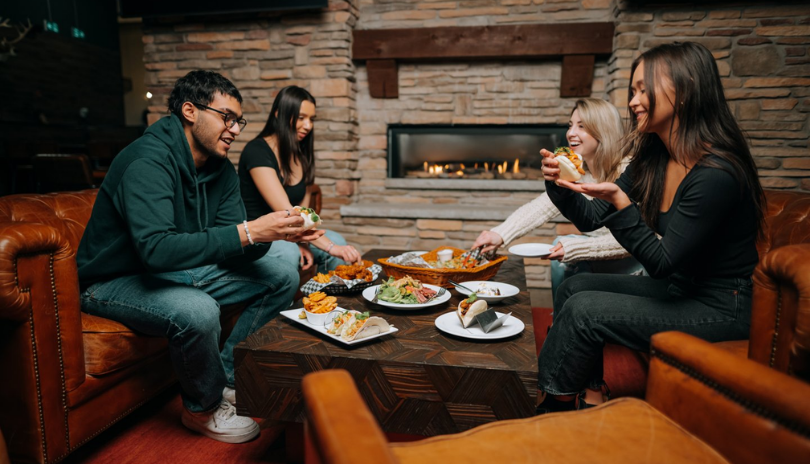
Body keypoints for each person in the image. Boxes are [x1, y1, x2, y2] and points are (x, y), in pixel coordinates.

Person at [77, 71, 324, 443]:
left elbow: (233, 246)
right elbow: (157, 249)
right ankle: (202, 409)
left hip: (173, 269)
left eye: (238, 121)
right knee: (198, 309)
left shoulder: (219, 168)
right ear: (190, 111)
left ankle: (228, 381)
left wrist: (273, 233)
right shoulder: (147, 161)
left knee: (281, 274)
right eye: (227, 117)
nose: (235, 129)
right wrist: (250, 231)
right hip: (112, 281)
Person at [535, 41, 765, 413]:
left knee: (584, 309)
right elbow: (591, 217)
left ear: (685, 90)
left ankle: (554, 406)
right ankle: (589, 393)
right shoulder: (654, 156)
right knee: (574, 285)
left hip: (723, 304)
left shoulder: (716, 174)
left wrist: (622, 204)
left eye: (644, 90)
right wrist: (557, 184)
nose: (633, 101)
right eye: (633, 90)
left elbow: (660, 262)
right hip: (680, 287)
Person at [472, 98, 643, 298]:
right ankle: (563, 313)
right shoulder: (580, 173)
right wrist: (500, 234)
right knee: (564, 251)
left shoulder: (628, 171)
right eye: (570, 125)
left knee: (564, 245)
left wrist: (574, 248)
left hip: (632, 267)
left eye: (582, 126)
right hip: (598, 261)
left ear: (603, 130)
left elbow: (640, 238)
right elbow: (542, 206)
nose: (570, 133)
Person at [238, 86, 361, 274]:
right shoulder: (256, 151)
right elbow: (288, 212)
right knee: (293, 252)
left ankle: (328, 293)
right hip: (260, 238)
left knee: (339, 241)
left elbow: (303, 212)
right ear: (279, 114)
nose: (308, 126)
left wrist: (303, 241)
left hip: (289, 233)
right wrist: (330, 247)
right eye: (301, 117)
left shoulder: (300, 154)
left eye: (312, 119)